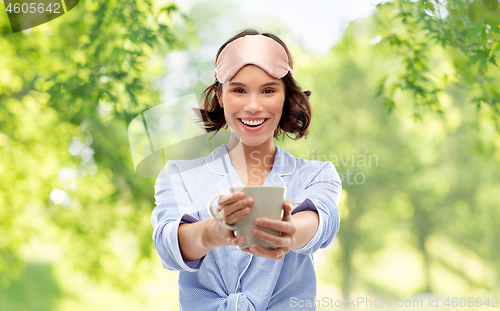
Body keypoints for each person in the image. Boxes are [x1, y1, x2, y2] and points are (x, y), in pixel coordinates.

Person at [151, 29, 342, 310]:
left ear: (286, 96)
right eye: (239, 90)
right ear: (220, 94)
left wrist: (289, 231)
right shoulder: (178, 176)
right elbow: (168, 246)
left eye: (268, 90)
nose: (253, 106)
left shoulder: (316, 174)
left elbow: (322, 222)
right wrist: (210, 233)